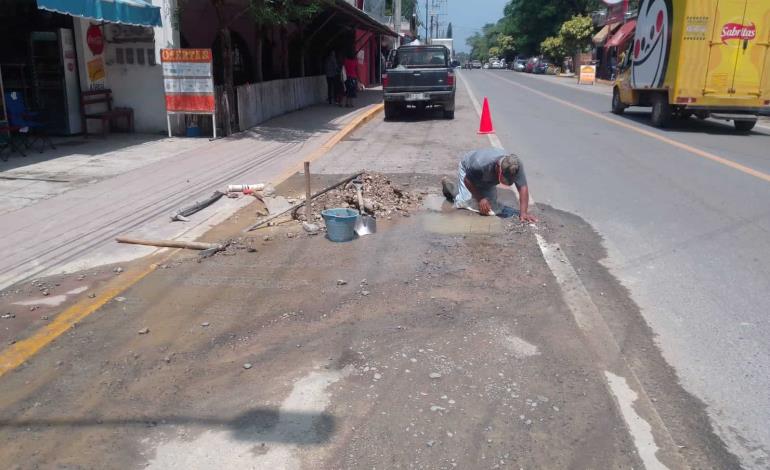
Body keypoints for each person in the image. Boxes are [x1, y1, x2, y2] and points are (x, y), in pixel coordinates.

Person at [441, 147, 537, 222]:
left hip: (487, 178)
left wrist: (523, 213)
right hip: (468, 171)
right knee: (463, 202)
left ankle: (469, 191)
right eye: (504, 179)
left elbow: (523, 187)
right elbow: (467, 180)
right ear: (498, 169)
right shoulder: (480, 164)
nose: (507, 182)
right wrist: (480, 199)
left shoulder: (515, 165)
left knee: (490, 209)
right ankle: (452, 190)